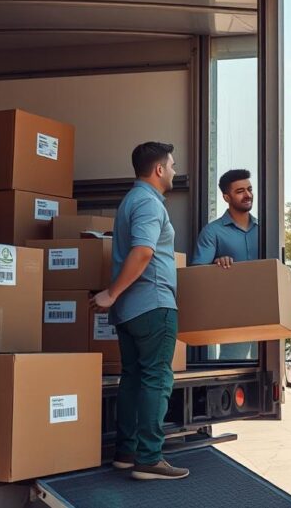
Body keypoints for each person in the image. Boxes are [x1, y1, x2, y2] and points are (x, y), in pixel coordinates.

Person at [92, 142, 188, 481]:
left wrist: (116, 297)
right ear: (159, 169)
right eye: (172, 165)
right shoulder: (149, 203)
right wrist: (111, 293)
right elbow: (144, 252)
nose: (174, 171)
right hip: (153, 303)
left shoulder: (131, 200)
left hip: (131, 309)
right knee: (157, 378)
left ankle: (126, 452)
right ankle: (149, 459)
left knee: (133, 377)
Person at [192, 169, 259, 360]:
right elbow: (197, 273)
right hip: (234, 313)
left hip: (265, 309)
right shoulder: (212, 232)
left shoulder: (265, 230)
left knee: (270, 368)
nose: (247, 195)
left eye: (249, 189)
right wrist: (216, 263)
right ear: (226, 197)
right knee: (232, 364)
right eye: (240, 191)